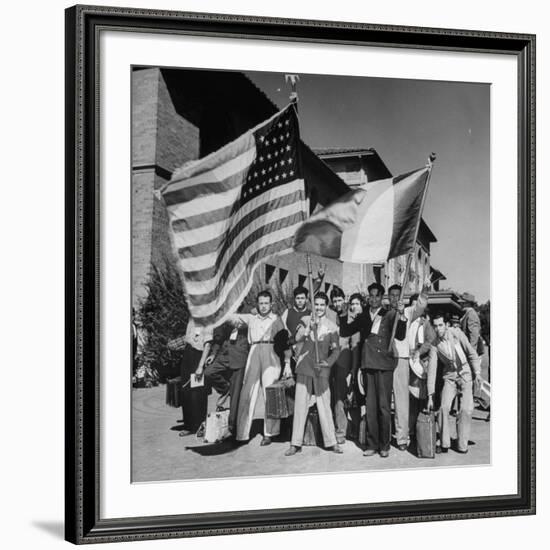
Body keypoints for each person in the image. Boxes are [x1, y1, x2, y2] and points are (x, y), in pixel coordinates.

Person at [339, 283, 407, 458]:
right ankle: (371, 444)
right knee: (370, 407)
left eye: (378, 296)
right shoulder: (362, 316)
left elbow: (400, 334)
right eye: (372, 295)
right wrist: (345, 312)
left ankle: (384, 446)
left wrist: (402, 314)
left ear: (382, 297)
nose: (374, 299)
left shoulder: (389, 313)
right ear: (368, 297)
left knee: (384, 407)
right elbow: (346, 331)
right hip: (368, 364)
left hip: (384, 365)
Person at [284, 292, 343, 456]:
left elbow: (336, 350)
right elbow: (295, 339)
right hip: (304, 367)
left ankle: (331, 442)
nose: (318, 308)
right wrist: (308, 329)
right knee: (300, 405)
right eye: (316, 304)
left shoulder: (332, 326)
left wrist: (329, 362)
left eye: (322, 305)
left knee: (325, 405)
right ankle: (295, 443)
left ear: (326, 306)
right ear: (312, 305)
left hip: (321, 369)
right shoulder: (305, 320)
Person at [234, 291, 292, 445]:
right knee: (247, 392)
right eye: (261, 303)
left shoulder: (277, 319)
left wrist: (287, 362)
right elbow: (232, 318)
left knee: (271, 392)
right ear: (257, 304)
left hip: (271, 352)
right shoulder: (251, 318)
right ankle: (242, 433)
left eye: (266, 303)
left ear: (271, 304)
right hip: (254, 351)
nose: (264, 306)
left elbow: (285, 341)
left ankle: (270, 433)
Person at [431, 312, 482, 454]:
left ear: (446, 325)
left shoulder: (457, 334)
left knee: (466, 409)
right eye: (435, 326)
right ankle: (445, 443)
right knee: (443, 407)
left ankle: (462, 444)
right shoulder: (434, 345)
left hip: (465, 373)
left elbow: (472, 354)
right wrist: (430, 394)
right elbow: (432, 370)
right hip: (449, 376)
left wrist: (477, 373)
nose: (438, 329)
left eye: (440, 325)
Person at [387, 282, 430, 450]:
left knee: (401, 400)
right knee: (384, 400)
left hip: (401, 359)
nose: (395, 298)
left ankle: (402, 438)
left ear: (402, 298)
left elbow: (420, 305)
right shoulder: (384, 313)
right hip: (384, 360)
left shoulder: (407, 312)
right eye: (392, 295)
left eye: (398, 295)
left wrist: (425, 291)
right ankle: (384, 436)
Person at [201, 311, 249, 437]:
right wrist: (212, 354)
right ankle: (225, 388)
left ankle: (233, 429)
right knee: (208, 372)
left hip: (239, 356)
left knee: (235, 397)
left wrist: (231, 317)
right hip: (223, 355)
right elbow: (218, 339)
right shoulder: (222, 315)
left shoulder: (247, 313)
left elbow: (244, 324)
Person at [178, 318, 213, 436]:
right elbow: (189, 338)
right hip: (188, 355)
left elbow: (207, 345)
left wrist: (200, 366)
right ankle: (188, 425)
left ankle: (200, 426)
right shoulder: (191, 319)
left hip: (198, 357)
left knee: (198, 393)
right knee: (186, 391)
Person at [328, 287, 353, 444]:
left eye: (339, 300)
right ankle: (331, 427)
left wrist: (352, 368)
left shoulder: (351, 316)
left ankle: (341, 431)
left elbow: (353, 342)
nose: (337, 303)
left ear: (344, 299)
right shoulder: (329, 315)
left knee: (340, 397)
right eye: (334, 300)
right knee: (329, 396)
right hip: (329, 360)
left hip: (344, 361)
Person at [281, 286, 312, 374]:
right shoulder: (287, 312)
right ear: (294, 299)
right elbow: (283, 332)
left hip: (305, 353)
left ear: (306, 299)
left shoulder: (310, 313)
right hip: (289, 353)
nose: (300, 301)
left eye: (302, 298)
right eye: (298, 298)